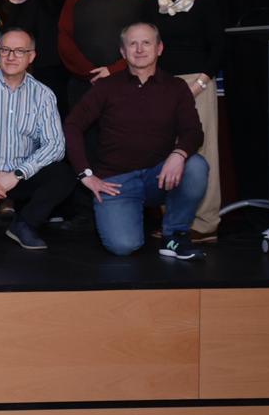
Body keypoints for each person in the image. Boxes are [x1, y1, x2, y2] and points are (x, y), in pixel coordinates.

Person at [65, 22, 209, 259]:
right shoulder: (106, 87)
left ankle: (174, 235)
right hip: (116, 183)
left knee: (196, 166)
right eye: (133, 44)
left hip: (159, 177)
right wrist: (85, 174)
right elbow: (72, 125)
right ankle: (128, 218)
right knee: (123, 246)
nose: (139, 49)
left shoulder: (176, 87)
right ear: (123, 52)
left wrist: (179, 154)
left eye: (146, 43)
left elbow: (193, 131)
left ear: (159, 48)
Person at [0, 28, 74, 250]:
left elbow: (56, 145)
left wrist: (17, 174)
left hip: (19, 176)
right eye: (5, 50)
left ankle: (24, 224)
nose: (11, 57)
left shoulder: (43, 95)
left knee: (63, 175)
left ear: (31, 56)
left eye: (19, 51)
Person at [153, 0, 225, 245]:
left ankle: (205, 224)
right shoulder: (152, 4)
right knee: (165, 151)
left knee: (201, 152)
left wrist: (200, 83)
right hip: (162, 85)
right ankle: (173, 221)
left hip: (198, 84)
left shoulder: (206, 1)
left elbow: (218, 48)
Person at [56, 0, 156, 107]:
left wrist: (114, 71)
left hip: (133, 83)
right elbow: (64, 38)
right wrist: (91, 73)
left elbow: (154, 38)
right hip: (85, 87)